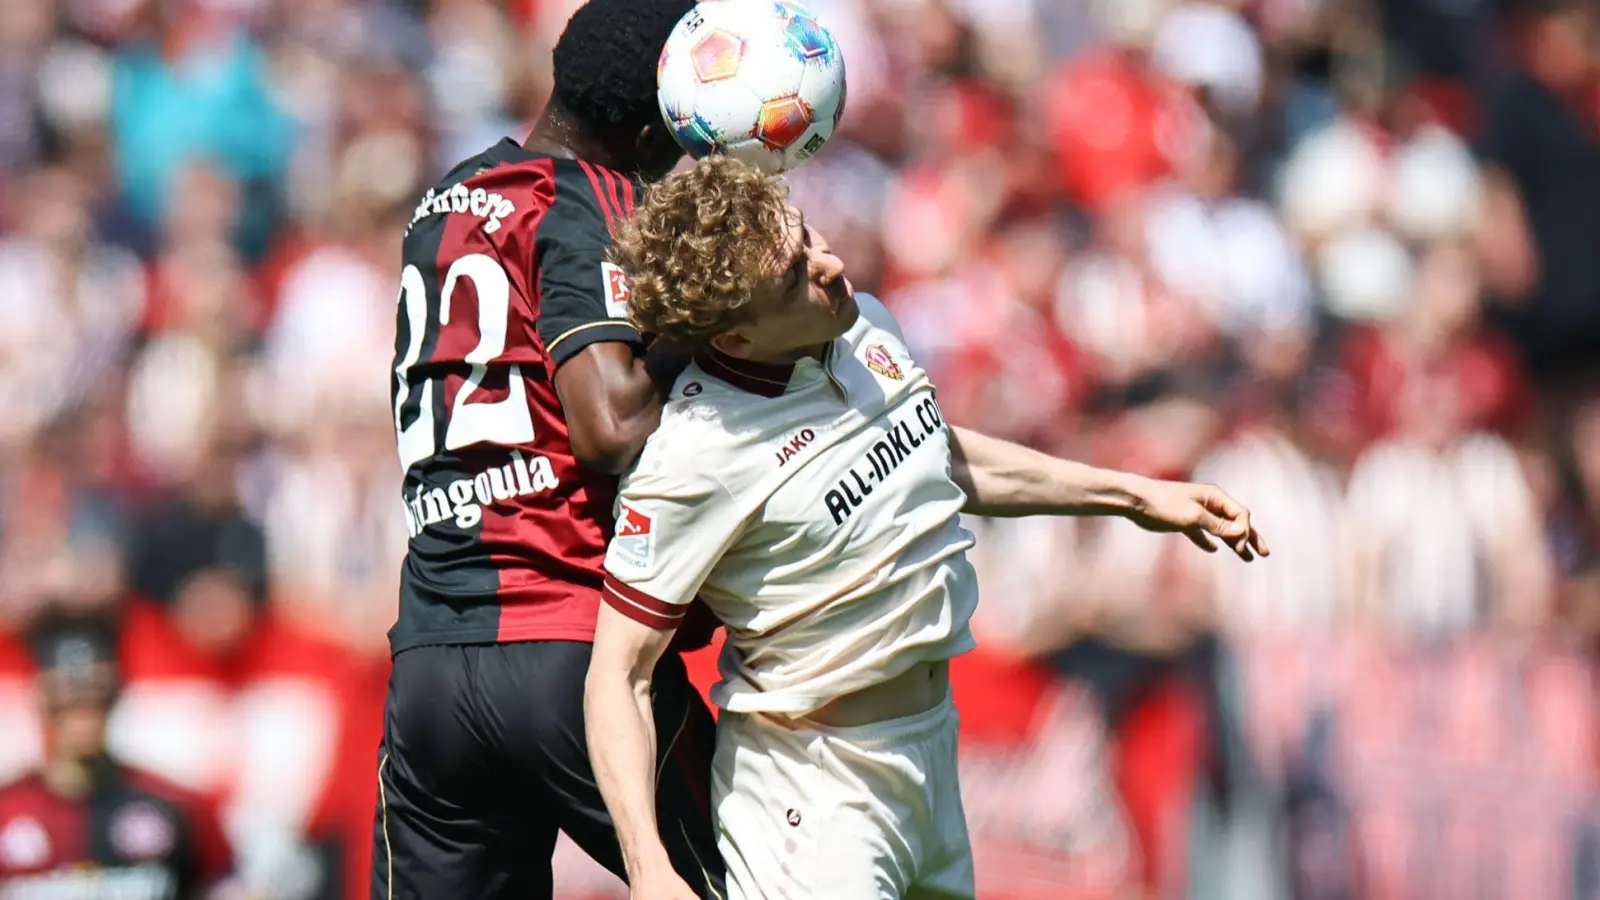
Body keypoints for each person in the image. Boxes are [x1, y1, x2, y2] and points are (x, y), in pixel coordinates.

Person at [584, 156, 1269, 900]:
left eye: (808, 236)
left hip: (932, 756)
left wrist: (1134, 498)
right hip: (815, 792)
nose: (831, 264)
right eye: (794, 276)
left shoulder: (863, 325)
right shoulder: (698, 455)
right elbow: (617, 675)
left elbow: (932, 452)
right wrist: (650, 867)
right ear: (740, 340)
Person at [376, 0, 725, 897]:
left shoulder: (443, 201)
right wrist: (713, 317)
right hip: (568, 651)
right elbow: (607, 425)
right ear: (646, 131)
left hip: (429, 674)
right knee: (760, 882)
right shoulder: (587, 193)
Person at [0, 609, 233, 899]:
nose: (84, 706)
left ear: (118, 689)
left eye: (97, 690)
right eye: (68, 692)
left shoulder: (179, 810)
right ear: (39, 694)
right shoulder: (7, 812)